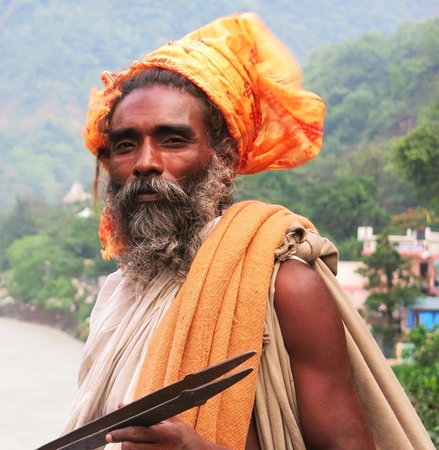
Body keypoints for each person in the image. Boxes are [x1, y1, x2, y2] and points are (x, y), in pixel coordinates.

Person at [61, 13, 433, 450]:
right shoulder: (122, 294)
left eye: (173, 140)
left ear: (224, 156)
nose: (145, 162)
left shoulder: (286, 287)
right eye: (126, 144)